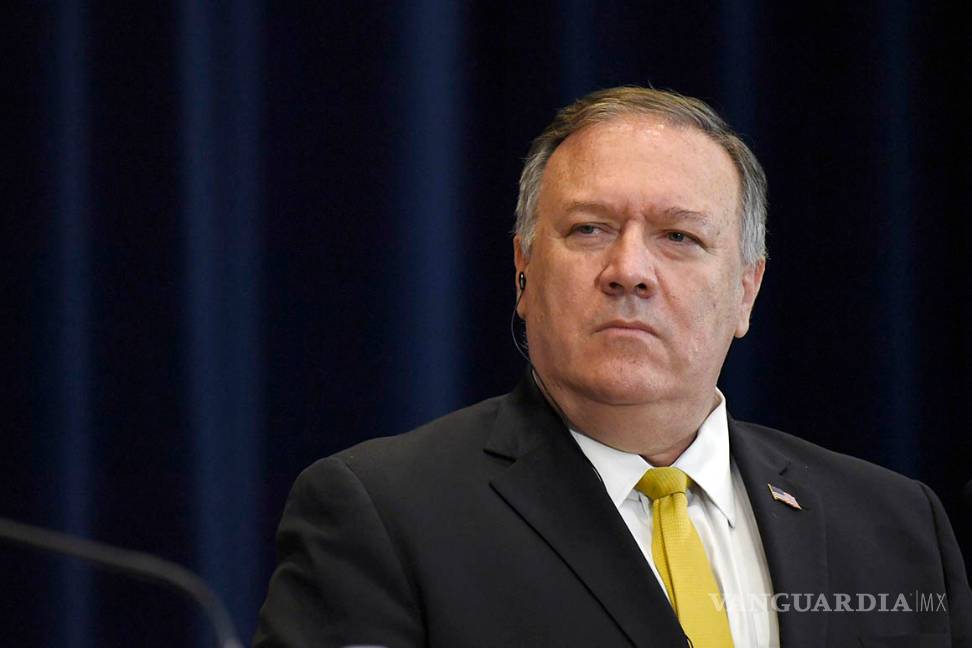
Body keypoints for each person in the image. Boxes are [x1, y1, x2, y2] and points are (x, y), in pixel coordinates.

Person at [254, 87, 972, 647]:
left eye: (679, 236)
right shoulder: (383, 515)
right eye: (590, 229)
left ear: (746, 291)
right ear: (523, 271)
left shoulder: (896, 525)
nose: (629, 269)